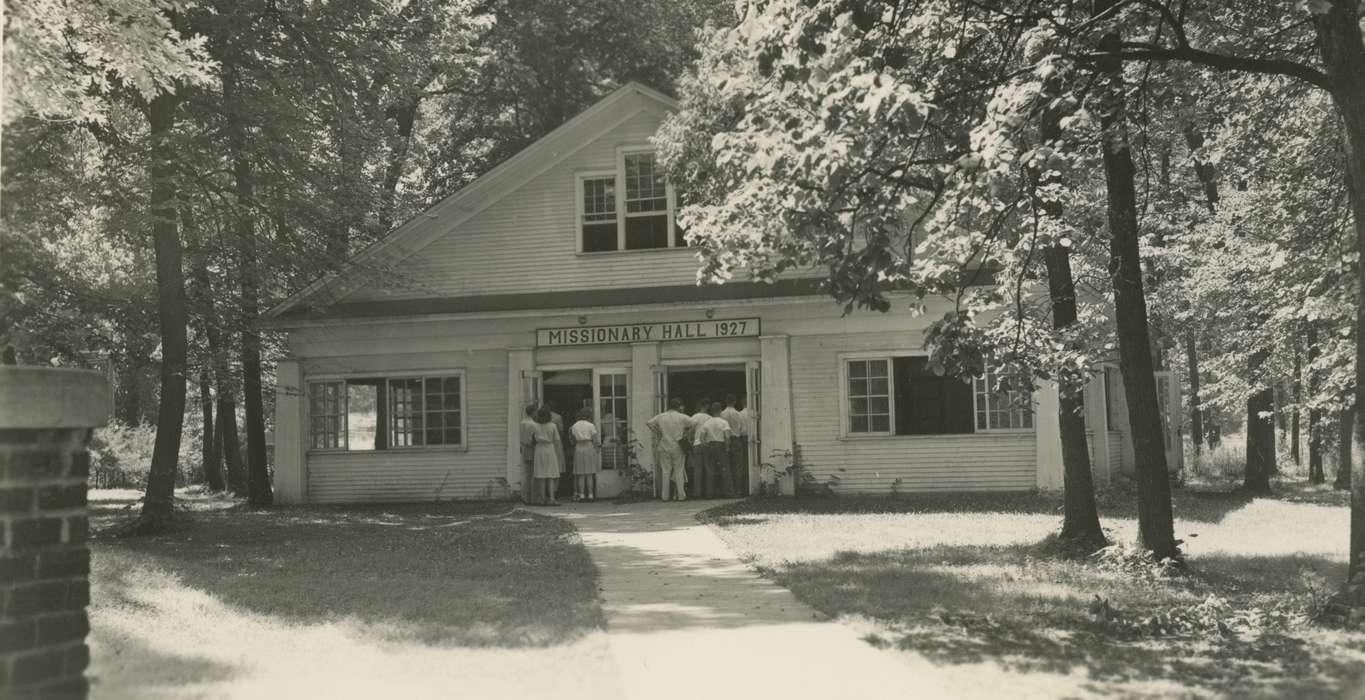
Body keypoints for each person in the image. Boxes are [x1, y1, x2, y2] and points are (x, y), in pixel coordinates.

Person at [647, 398, 691, 501]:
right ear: (679, 406)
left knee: (666, 471)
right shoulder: (682, 417)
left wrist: (658, 432)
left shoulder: (661, 416)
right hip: (677, 445)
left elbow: (648, 423)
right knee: (679, 470)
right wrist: (686, 433)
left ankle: (665, 496)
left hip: (664, 445)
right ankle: (681, 495)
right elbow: (693, 423)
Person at [697, 402, 735, 498]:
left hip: (710, 445)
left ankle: (710, 493)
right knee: (725, 469)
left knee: (710, 470)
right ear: (720, 410)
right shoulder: (723, 422)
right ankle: (728, 492)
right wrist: (727, 447)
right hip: (721, 444)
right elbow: (727, 436)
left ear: (712, 411)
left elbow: (701, 437)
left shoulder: (707, 422)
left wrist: (706, 444)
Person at [531, 406, 562, 505]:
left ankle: (542, 499)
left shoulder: (534, 426)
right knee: (551, 475)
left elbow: (532, 439)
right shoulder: (553, 425)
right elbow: (557, 439)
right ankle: (552, 499)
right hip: (550, 449)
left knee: (541, 476)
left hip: (539, 449)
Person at [721, 395, 750, 496]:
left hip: (724, 440)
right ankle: (738, 490)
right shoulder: (738, 414)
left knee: (726, 466)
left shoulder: (722, 414)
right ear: (735, 402)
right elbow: (742, 429)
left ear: (725, 401)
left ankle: (727, 490)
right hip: (736, 440)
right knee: (738, 465)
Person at [570, 407, 601, 501]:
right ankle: (590, 495)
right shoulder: (591, 425)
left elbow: (573, 439)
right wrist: (597, 449)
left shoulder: (574, 426)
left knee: (580, 474)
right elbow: (595, 439)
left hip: (579, 447)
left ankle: (582, 495)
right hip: (588, 446)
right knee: (589, 473)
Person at [687, 397, 712, 498]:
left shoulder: (695, 417)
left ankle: (697, 493)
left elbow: (690, 430)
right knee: (708, 469)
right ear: (707, 406)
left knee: (698, 470)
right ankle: (709, 493)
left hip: (696, 444)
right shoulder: (710, 418)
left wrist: (690, 440)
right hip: (707, 444)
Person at [519, 403, 540, 505]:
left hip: (524, 448)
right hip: (531, 448)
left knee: (527, 473)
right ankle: (532, 497)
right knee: (532, 474)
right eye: (535, 412)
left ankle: (525, 496)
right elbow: (533, 438)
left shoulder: (522, 422)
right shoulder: (533, 424)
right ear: (532, 412)